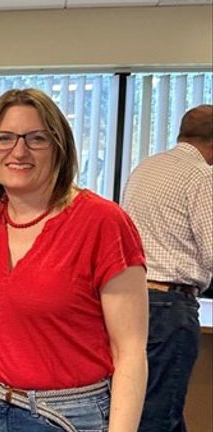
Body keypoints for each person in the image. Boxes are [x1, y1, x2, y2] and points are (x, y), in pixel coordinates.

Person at [0, 88, 148, 432]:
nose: (19, 151)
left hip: (64, 417)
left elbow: (130, 353)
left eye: (37, 138)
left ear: (59, 148)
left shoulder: (103, 222)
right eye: (4, 138)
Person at [122, 104, 213, 432]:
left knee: (144, 408)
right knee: (159, 416)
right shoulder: (201, 175)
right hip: (170, 309)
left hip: (129, 302)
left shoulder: (146, 168)